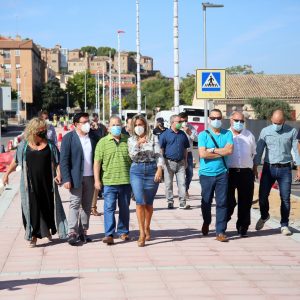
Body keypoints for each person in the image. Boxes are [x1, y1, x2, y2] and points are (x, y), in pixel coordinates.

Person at [2, 118, 68, 247]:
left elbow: (57, 162)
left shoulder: (50, 145)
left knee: (48, 207)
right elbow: (15, 161)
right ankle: (33, 236)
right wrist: (6, 174)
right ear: (33, 131)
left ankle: (48, 230)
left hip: (48, 183)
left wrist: (59, 174)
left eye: (44, 131)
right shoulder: (24, 146)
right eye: (40, 131)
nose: (43, 133)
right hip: (30, 185)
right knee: (33, 209)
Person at [253, 109, 300, 236]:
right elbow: (259, 150)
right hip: (269, 169)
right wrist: (255, 167)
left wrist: (299, 168)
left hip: (285, 169)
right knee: (262, 196)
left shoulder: (292, 131)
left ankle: (284, 225)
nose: (277, 125)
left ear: (283, 121)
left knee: (285, 198)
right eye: (275, 122)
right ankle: (264, 215)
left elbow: (296, 151)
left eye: (279, 123)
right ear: (271, 120)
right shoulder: (265, 131)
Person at [60, 112, 98, 245]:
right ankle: (72, 232)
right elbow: (63, 160)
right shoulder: (68, 138)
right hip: (75, 177)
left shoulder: (93, 137)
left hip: (90, 177)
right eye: (84, 122)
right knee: (75, 203)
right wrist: (66, 178)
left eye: (88, 121)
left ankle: (83, 232)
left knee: (87, 206)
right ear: (76, 124)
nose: (87, 124)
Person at [94, 115, 132, 245]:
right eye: (113, 125)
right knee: (109, 208)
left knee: (124, 208)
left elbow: (133, 160)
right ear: (108, 127)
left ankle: (123, 232)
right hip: (109, 182)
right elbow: (97, 163)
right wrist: (97, 180)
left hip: (126, 181)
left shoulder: (128, 140)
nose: (116, 127)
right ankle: (109, 234)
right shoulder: (102, 142)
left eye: (118, 124)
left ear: (122, 126)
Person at [128, 115, 164, 247]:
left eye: (141, 124)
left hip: (151, 169)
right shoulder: (131, 139)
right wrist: (138, 143)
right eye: (136, 125)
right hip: (136, 170)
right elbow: (132, 154)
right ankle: (141, 233)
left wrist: (159, 169)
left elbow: (158, 154)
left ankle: (147, 226)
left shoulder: (153, 137)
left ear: (145, 125)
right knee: (139, 201)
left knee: (148, 203)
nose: (139, 127)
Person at [198, 109, 233, 242]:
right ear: (209, 119)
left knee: (222, 202)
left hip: (222, 173)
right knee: (206, 201)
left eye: (218, 117)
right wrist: (221, 152)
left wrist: (211, 150)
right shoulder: (203, 135)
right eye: (213, 118)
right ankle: (206, 221)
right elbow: (202, 154)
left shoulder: (227, 134)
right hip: (206, 174)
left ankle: (220, 231)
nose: (216, 120)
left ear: (222, 118)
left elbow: (229, 150)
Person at [227, 112, 256, 237]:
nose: (239, 123)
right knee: (229, 201)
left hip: (246, 173)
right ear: (230, 120)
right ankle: (223, 221)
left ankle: (243, 227)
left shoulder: (249, 135)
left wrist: (254, 170)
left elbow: (254, 154)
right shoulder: (225, 134)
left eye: (242, 121)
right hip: (229, 173)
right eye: (236, 120)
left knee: (245, 202)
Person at [159, 115, 190, 209]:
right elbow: (161, 149)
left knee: (182, 183)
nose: (180, 124)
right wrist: (162, 162)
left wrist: (186, 160)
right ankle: (170, 201)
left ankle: (182, 202)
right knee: (168, 184)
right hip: (168, 162)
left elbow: (185, 148)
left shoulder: (182, 134)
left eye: (181, 122)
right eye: (178, 122)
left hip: (181, 163)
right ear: (172, 123)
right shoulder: (165, 134)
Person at [90, 113, 107, 216]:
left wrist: (98, 128)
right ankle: (84, 207)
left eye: (95, 117)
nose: (94, 120)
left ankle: (93, 207)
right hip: (88, 158)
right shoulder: (86, 128)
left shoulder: (102, 128)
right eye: (92, 118)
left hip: (99, 157)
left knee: (96, 184)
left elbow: (104, 138)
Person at [179, 112, 198, 199]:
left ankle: (185, 189)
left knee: (190, 173)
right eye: (182, 121)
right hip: (178, 153)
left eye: (186, 120)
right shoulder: (176, 127)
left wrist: (189, 132)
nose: (184, 122)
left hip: (189, 153)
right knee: (180, 174)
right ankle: (182, 191)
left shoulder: (191, 127)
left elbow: (197, 139)